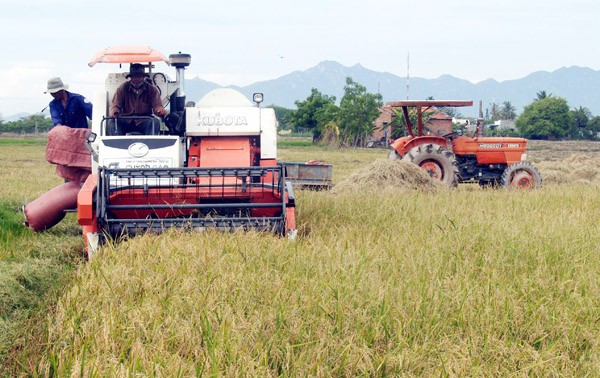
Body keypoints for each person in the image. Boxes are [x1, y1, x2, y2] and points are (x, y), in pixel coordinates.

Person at [108, 63, 167, 135]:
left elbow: (157, 106)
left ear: (143, 77)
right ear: (130, 77)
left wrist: (160, 110)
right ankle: (116, 145)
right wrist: (114, 111)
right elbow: (115, 105)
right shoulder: (122, 89)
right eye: (134, 77)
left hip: (144, 121)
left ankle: (150, 144)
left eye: (138, 77)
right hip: (126, 120)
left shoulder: (151, 89)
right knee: (112, 122)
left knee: (155, 122)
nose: (136, 79)